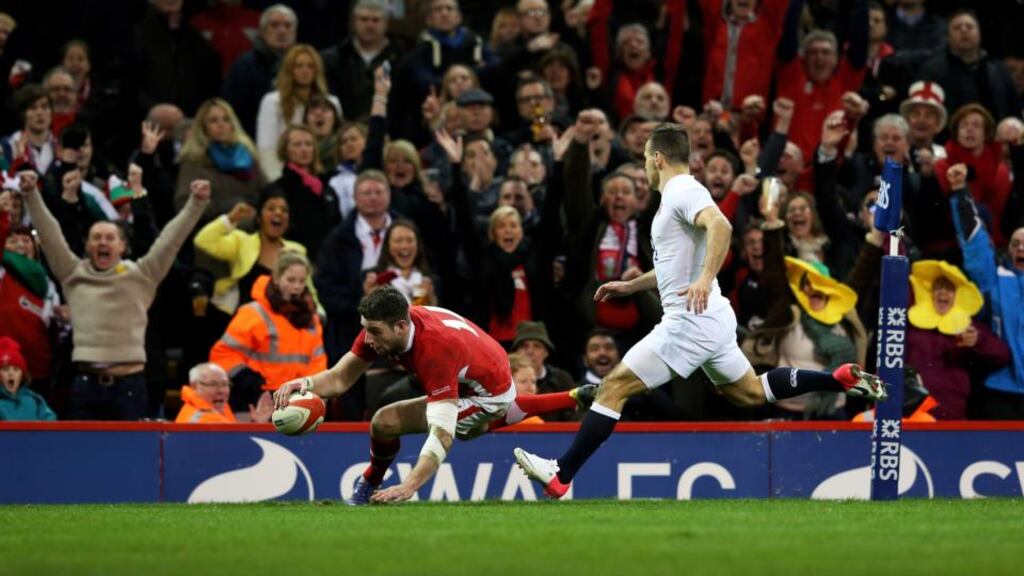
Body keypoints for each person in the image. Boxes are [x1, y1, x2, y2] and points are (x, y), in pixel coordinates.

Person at [513, 124, 886, 498]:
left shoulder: (682, 190)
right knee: (750, 392)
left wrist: (706, 278)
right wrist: (632, 285)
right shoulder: (678, 196)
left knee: (614, 385)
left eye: (645, 158)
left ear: (657, 158)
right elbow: (677, 264)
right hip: (712, 318)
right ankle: (836, 379)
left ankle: (561, 472)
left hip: (689, 321)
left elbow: (720, 225)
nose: (644, 166)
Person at [271, 286, 596, 504]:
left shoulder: (434, 350)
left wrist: (409, 486)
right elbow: (340, 378)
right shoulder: (382, 326)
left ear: (401, 326)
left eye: (375, 332)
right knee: (384, 423)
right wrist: (305, 384)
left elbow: (441, 433)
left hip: (487, 393)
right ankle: (573, 395)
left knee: (450, 428)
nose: (368, 339)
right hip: (477, 368)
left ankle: (566, 398)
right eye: (365, 328)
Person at [19, 172, 210, 420]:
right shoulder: (71, 273)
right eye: (96, 238)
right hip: (84, 386)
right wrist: (30, 194)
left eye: (110, 238)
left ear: (122, 246)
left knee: (130, 457)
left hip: (130, 388)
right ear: (87, 245)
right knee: (83, 457)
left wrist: (196, 203)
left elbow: (171, 240)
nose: (103, 243)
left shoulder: (143, 275)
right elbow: (49, 234)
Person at [210, 251, 326, 415]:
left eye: (301, 281)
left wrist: (314, 393)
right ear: (277, 279)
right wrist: (247, 379)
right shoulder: (254, 313)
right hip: (256, 401)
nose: (297, 286)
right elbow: (223, 353)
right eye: (291, 280)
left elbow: (317, 362)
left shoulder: (310, 319)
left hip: (296, 403)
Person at [906, 260, 1009, 420]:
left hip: (951, 409)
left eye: (949, 289)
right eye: (937, 287)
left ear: (958, 295)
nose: (942, 293)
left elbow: (1002, 355)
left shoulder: (970, 327)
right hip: (911, 408)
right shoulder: (911, 323)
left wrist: (978, 341)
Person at [256, 44, 341, 179]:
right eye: (298, 66)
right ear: (289, 70)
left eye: (310, 66)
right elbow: (266, 150)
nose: (305, 71)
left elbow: (338, 145)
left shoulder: (332, 102)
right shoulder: (272, 102)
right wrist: (279, 181)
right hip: (284, 176)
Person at [174, 98, 266, 220]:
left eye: (226, 119)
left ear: (233, 125)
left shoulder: (246, 155)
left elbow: (266, 190)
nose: (221, 125)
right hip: (213, 228)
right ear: (203, 127)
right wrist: (226, 208)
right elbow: (183, 203)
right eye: (213, 121)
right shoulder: (194, 159)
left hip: (252, 222)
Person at [223, 4, 298, 138]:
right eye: (274, 25)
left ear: (295, 32)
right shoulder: (244, 66)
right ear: (262, 31)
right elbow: (232, 112)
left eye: (288, 26)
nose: (282, 31)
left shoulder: (305, 64)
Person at [321, 0, 401, 121]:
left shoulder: (400, 58)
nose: (369, 25)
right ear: (354, 22)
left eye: (375, 20)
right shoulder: (334, 58)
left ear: (386, 24)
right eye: (364, 19)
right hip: (344, 132)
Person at [176, 362, 272, 424]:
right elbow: (240, 446)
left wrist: (256, 423)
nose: (221, 390)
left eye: (225, 384)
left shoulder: (217, 407)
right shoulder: (203, 419)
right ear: (194, 386)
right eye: (213, 384)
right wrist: (258, 426)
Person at [0, 336, 56, 421]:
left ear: (22, 376)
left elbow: (50, 422)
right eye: (5, 369)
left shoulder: (34, 400)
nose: (11, 374)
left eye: (16, 369)